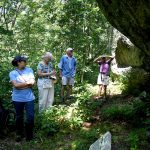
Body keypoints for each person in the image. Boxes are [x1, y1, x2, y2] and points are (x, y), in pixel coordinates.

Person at [9, 55, 35, 142]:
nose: (26, 62)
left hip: (29, 98)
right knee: (19, 117)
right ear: (18, 62)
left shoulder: (29, 70)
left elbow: (32, 82)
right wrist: (27, 84)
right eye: (24, 61)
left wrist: (21, 85)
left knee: (30, 117)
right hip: (17, 99)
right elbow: (15, 85)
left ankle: (29, 136)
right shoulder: (12, 73)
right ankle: (19, 134)